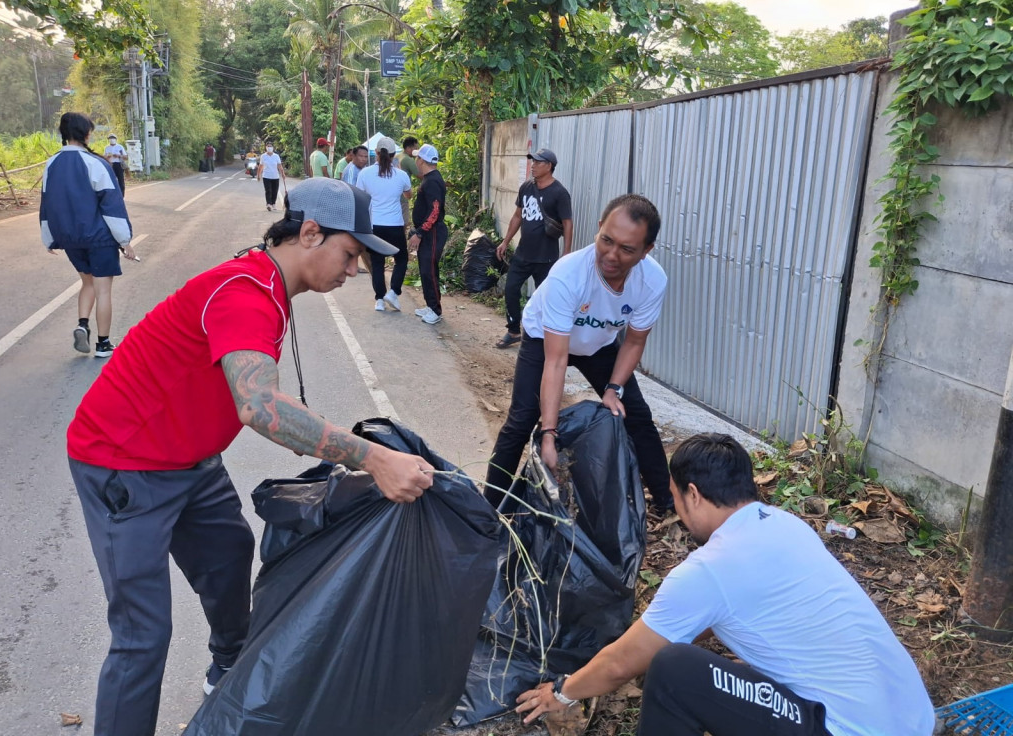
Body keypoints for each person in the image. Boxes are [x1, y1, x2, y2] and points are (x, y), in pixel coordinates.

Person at [66, 177, 435, 736]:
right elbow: (261, 407)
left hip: (192, 459)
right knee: (143, 635)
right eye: (350, 254)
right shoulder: (244, 292)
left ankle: (228, 665)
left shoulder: (269, 284)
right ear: (310, 234)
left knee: (229, 554)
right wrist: (375, 459)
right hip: (124, 462)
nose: (354, 270)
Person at [515, 433, 936, 736]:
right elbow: (719, 614)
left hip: (846, 729)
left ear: (693, 494)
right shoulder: (786, 526)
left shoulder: (710, 569)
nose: (677, 510)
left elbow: (620, 665)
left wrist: (563, 693)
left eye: (675, 498)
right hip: (914, 720)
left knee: (674, 668)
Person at [483, 193, 672, 511]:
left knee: (636, 415)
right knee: (521, 420)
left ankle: (667, 501)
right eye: (606, 240)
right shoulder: (568, 275)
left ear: (646, 250)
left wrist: (613, 389)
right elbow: (556, 361)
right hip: (545, 340)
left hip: (598, 345)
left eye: (627, 249)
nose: (611, 255)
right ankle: (488, 509)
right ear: (599, 228)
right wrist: (549, 432)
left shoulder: (652, 281)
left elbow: (634, 342)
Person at [40, 112, 137, 359]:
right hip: (99, 238)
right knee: (103, 289)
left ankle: (82, 325)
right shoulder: (95, 163)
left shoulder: (51, 164)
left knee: (87, 283)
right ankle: (103, 344)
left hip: (70, 239)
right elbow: (112, 205)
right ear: (86, 134)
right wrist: (125, 241)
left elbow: (47, 203)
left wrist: (48, 237)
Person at [494, 148, 574, 349]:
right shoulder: (527, 187)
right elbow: (517, 216)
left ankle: (543, 337)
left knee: (545, 299)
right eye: (533, 161)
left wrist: (566, 254)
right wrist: (505, 241)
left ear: (549, 166)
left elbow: (567, 223)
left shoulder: (559, 193)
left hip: (546, 257)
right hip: (523, 253)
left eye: (538, 162)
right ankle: (513, 331)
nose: (533, 166)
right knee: (511, 290)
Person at [356, 136, 412, 312]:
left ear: (377, 153)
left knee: (377, 263)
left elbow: (360, 197)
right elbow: (408, 195)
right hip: (395, 225)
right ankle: (393, 292)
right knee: (401, 259)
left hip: (374, 225)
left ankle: (379, 299)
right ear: (394, 154)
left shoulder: (365, 173)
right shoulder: (401, 175)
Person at [408, 144, 446, 325]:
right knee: (426, 270)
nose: (416, 161)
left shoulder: (432, 181)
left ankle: (435, 310)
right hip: (429, 232)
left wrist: (420, 233)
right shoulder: (430, 179)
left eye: (417, 158)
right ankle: (430, 305)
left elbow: (435, 211)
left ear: (422, 160)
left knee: (429, 271)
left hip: (433, 232)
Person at [256, 142, 286, 211]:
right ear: (266, 147)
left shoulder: (276, 156)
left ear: (273, 148)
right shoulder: (263, 156)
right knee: (268, 190)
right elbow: (260, 166)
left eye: (270, 146)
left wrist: (283, 173)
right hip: (266, 176)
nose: (269, 148)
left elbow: (279, 165)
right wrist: (258, 175)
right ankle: (268, 204)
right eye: (268, 146)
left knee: (275, 191)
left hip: (275, 176)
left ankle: (273, 203)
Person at [103, 133, 128, 197]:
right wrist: (107, 157)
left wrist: (119, 155)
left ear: (116, 139)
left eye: (113, 138)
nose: (111, 140)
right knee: (111, 181)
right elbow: (104, 157)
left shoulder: (120, 147)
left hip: (119, 164)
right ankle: (113, 196)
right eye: (110, 138)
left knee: (121, 181)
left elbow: (125, 157)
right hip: (111, 165)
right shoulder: (107, 148)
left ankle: (121, 196)